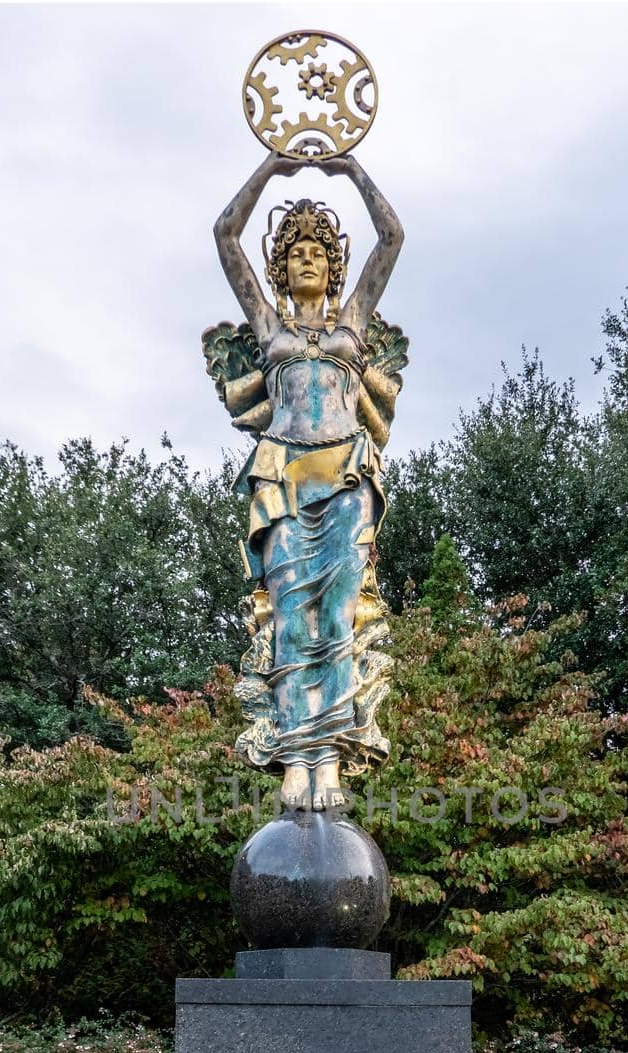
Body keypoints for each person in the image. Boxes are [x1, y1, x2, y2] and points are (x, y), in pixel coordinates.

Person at [206, 150, 406, 811]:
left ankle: (332, 765)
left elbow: (392, 237)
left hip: (346, 477)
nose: (306, 261)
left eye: (317, 253)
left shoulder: (352, 322)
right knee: (293, 623)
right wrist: (269, 168)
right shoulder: (270, 327)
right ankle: (298, 759)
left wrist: (351, 173)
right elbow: (225, 236)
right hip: (286, 478)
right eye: (294, 255)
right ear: (281, 269)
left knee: (338, 624)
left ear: (333, 264)